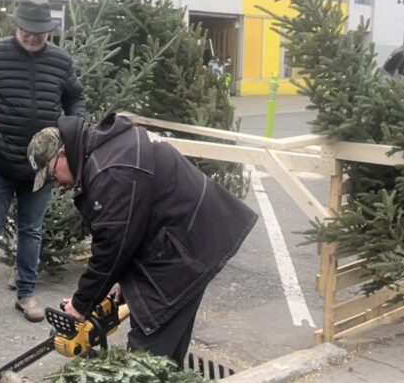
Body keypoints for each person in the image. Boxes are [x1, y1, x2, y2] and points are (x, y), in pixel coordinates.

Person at [26, 114, 258, 364]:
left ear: (62, 154)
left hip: (189, 243)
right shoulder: (107, 151)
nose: (56, 184)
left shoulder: (110, 170)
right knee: (166, 344)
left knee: (146, 347)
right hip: (186, 235)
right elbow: (133, 225)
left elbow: (113, 246)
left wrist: (81, 305)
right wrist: (119, 282)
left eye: (51, 175)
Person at [0, 0, 85, 323]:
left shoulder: (60, 61)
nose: (32, 38)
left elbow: (76, 98)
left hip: (40, 169)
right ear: (17, 26)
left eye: (39, 33)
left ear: (48, 31)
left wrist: (69, 137)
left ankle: (27, 294)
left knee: (32, 231)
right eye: (27, 31)